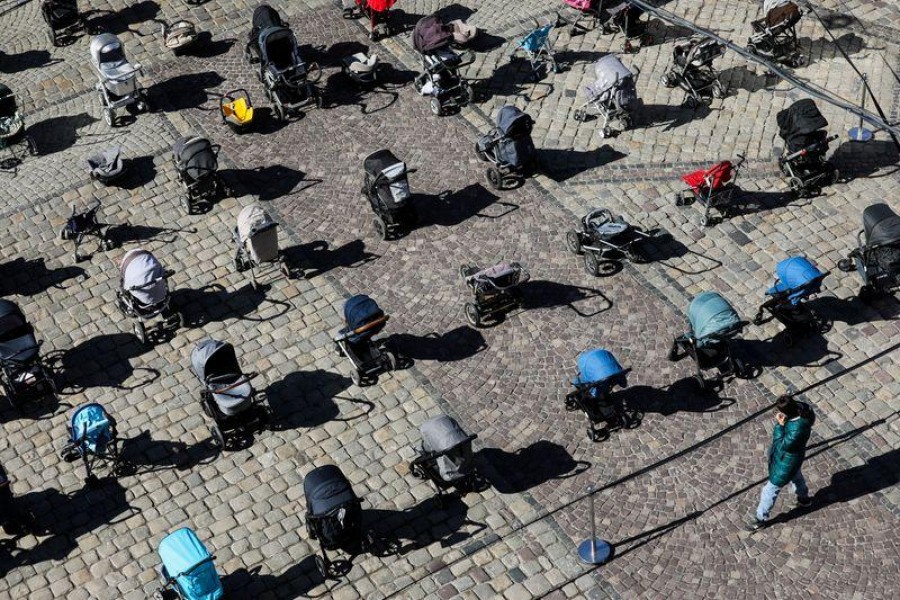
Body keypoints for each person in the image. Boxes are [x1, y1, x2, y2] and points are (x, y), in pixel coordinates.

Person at [744, 395, 815, 531]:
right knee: (796, 477)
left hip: (786, 463)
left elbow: (783, 445)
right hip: (794, 459)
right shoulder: (804, 410)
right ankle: (804, 499)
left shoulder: (796, 430)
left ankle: (759, 519)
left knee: (769, 490)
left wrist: (780, 426)